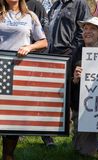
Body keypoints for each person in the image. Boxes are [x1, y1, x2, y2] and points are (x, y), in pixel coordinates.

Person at [0, 0, 48, 159]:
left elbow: (43, 41)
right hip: (0, 71)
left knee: (12, 119)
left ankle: (8, 155)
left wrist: (29, 47)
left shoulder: (30, 16)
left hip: (20, 74)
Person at [71, 16, 98, 156]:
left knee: (88, 152)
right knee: (83, 152)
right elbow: (69, 83)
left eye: (92, 28)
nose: (87, 31)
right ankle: (89, 140)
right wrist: (74, 79)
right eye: (85, 28)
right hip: (80, 106)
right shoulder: (77, 52)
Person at [26, 0, 54, 147]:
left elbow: (45, 35)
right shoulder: (8, 7)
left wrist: (42, 58)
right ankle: (19, 131)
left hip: (36, 59)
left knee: (41, 97)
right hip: (14, 61)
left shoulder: (36, 5)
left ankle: (47, 136)